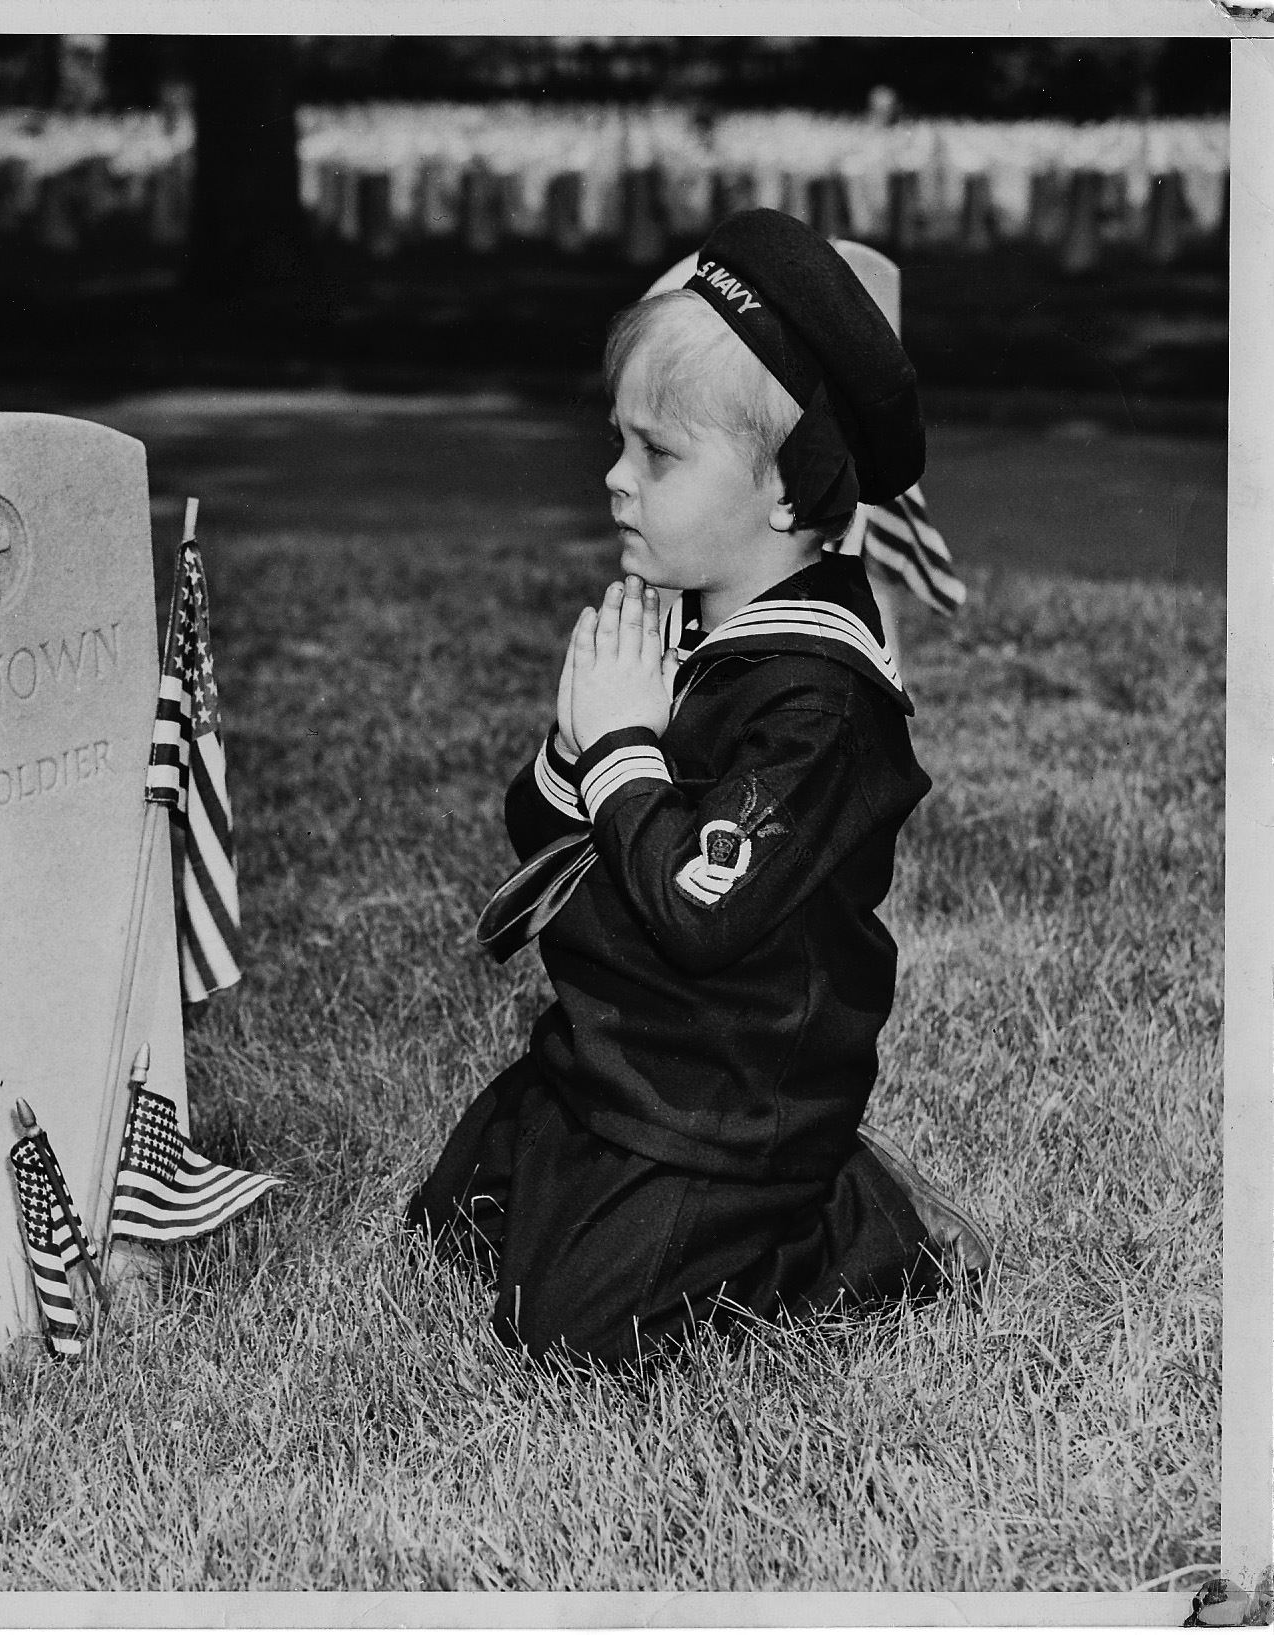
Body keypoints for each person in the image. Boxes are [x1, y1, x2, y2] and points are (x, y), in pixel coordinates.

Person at [407, 208, 993, 1374]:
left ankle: (842, 1234)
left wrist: (624, 744)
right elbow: (547, 842)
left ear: (791, 495)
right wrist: (582, 746)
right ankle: (623, 1181)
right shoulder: (686, 626)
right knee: (452, 1226)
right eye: (617, 442)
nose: (614, 480)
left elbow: (702, 906)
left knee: (571, 1334)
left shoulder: (820, 710)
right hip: (619, 1057)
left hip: (731, 1106)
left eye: (658, 455)